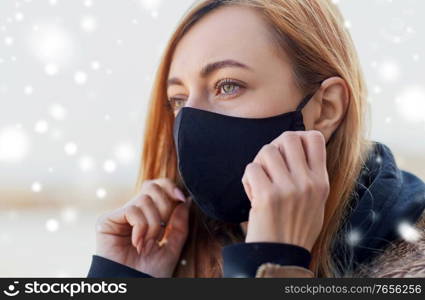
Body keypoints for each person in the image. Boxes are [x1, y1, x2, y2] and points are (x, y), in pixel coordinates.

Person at [87, 0, 425, 278]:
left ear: (326, 109)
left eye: (228, 85)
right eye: (178, 99)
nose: (190, 120)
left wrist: (271, 264)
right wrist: (124, 281)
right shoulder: (179, 253)